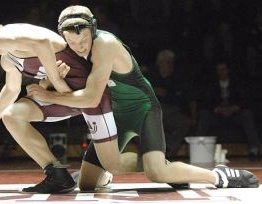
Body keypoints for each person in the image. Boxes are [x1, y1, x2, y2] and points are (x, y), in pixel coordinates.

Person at [27, 5, 260, 191]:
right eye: (72, 42)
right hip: (113, 113)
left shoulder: (105, 44)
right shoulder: (70, 50)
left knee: (156, 172)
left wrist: (49, 95)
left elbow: (90, 98)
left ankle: (217, 175)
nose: (78, 48)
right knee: (86, 184)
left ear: (94, 30)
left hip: (142, 108)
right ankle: (108, 174)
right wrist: (57, 81)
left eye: (84, 40)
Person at [0, 17, 117, 193]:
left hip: (89, 93)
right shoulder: (7, 58)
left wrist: (55, 81)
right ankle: (57, 175)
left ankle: (99, 171)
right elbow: (11, 89)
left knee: (111, 165)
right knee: (11, 115)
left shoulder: (5, 36)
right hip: (65, 95)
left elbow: (43, 43)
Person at [196, 61, 261, 160]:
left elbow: (245, 100)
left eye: (223, 69)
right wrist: (217, 109)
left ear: (228, 70)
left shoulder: (236, 83)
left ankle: (254, 149)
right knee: (204, 114)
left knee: (246, 114)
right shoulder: (212, 84)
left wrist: (234, 108)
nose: (221, 72)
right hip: (218, 116)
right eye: (219, 70)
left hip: (233, 115)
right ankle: (198, 148)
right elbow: (206, 101)